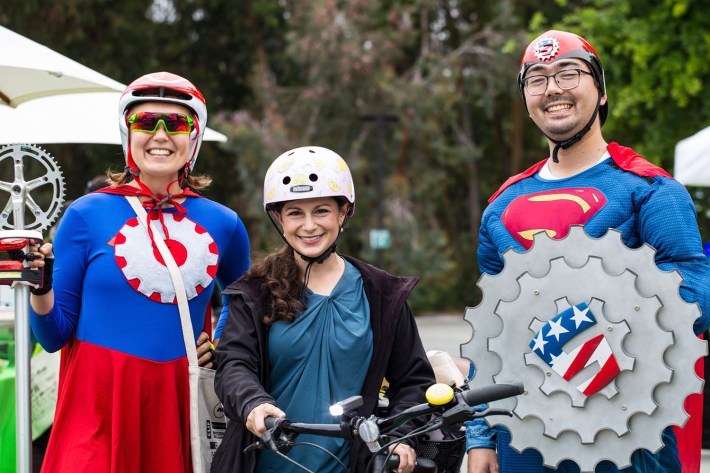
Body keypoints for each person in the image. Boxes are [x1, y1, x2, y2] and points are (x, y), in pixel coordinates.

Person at [466, 30, 710, 473]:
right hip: (525, 441)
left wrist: (579, 325)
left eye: (569, 73)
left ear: (600, 92)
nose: (553, 88)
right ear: (525, 98)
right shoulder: (499, 210)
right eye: (536, 79)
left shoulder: (651, 191)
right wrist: (480, 435)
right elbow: (490, 335)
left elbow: (696, 295)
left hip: (627, 438)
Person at [28, 71, 251, 472]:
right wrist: (39, 289)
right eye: (146, 122)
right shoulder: (85, 215)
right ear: (127, 133)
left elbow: (245, 304)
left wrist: (222, 347)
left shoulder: (226, 224)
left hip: (176, 410)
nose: (161, 135)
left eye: (177, 123)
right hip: (94, 412)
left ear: (194, 136)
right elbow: (52, 336)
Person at [211, 146, 435, 473]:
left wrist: (401, 437)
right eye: (295, 213)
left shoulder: (382, 293)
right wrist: (252, 403)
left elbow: (414, 381)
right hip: (265, 462)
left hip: (354, 464)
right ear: (279, 218)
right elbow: (233, 363)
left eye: (321, 211)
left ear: (343, 212)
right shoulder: (255, 291)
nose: (309, 226)